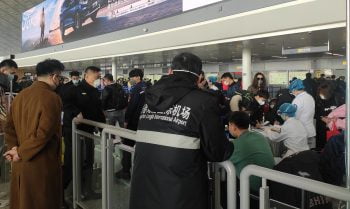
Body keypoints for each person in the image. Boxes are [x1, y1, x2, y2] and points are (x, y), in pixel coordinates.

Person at [129, 53, 234, 209]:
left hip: (143, 187)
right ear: (199, 77)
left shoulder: (151, 97)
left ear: (171, 71)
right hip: (181, 194)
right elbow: (217, 151)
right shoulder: (203, 101)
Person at [3, 59, 65, 209]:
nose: (60, 81)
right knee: (42, 200)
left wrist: (14, 149)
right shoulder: (52, 97)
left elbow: (9, 126)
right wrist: (21, 152)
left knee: (23, 199)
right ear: (54, 76)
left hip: (20, 162)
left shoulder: (21, 96)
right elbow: (43, 134)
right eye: (60, 77)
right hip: (41, 162)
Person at [73, 66, 105, 200]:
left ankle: (87, 190)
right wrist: (75, 113)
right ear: (87, 75)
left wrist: (103, 129)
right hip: (79, 132)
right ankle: (80, 191)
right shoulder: (77, 90)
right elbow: (68, 106)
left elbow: (98, 110)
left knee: (89, 161)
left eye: (99, 77)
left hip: (90, 131)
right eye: (96, 77)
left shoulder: (95, 91)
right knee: (81, 162)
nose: (98, 80)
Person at [228, 111, 274, 200]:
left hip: (253, 190)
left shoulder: (236, 145)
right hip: (270, 184)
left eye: (229, 125)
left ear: (233, 126)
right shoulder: (260, 136)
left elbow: (219, 158)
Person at [116, 68, 146, 180]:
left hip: (134, 121)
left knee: (127, 145)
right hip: (144, 122)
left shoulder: (136, 88)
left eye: (132, 77)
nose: (131, 79)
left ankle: (125, 171)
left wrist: (126, 120)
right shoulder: (147, 87)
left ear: (138, 77)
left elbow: (132, 106)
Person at [315, 81, 344, 150]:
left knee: (335, 146)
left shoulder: (337, 98)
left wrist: (336, 117)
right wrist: (322, 118)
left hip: (335, 126)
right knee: (322, 146)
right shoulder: (318, 98)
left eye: (324, 93)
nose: (322, 95)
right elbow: (315, 113)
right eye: (320, 93)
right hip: (322, 127)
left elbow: (344, 111)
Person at [289, 79, 316, 148]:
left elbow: (294, 117)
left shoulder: (297, 100)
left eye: (292, 91)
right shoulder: (310, 97)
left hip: (301, 132)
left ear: (294, 90)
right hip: (310, 131)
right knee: (308, 153)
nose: (292, 93)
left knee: (301, 155)